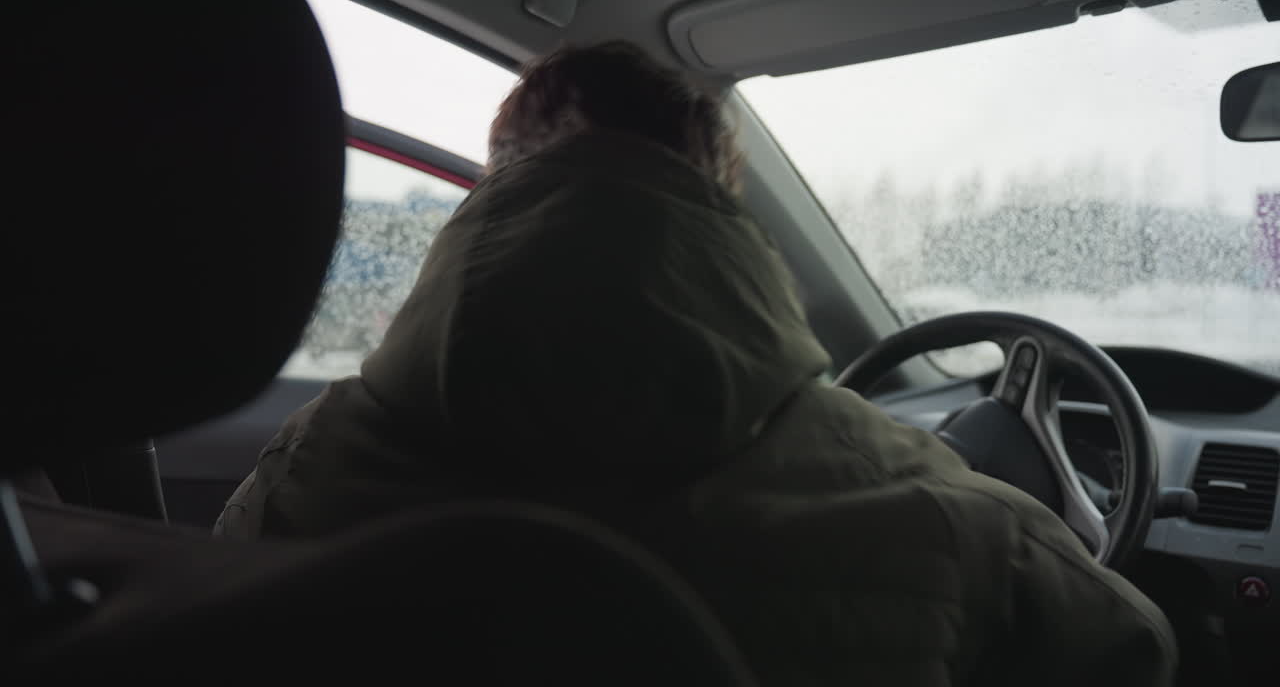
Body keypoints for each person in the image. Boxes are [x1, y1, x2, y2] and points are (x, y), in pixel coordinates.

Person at [216, 40, 1176, 686]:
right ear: (714, 201)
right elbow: (1138, 650)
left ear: (500, 180)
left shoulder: (311, 460)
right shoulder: (928, 505)